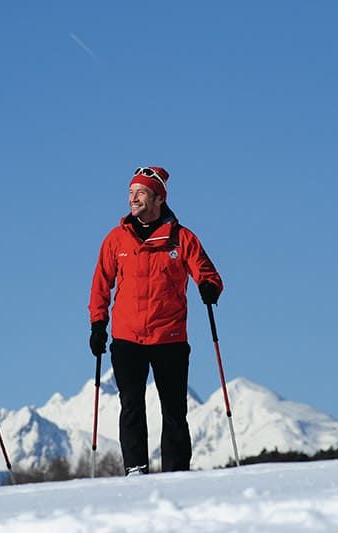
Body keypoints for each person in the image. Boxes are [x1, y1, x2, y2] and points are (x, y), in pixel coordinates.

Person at [88, 166, 223, 476]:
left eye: (141, 193)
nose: (133, 198)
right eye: (131, 192)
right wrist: (98, 323)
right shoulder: (116, 239)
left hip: (170, 338)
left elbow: (208, 273)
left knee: (174, 410)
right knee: (131, 406)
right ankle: (136, 469)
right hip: (127, 337)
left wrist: (208, 286)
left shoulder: (181, 238)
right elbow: (100, 283)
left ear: (159, 198)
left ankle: (176, 472)